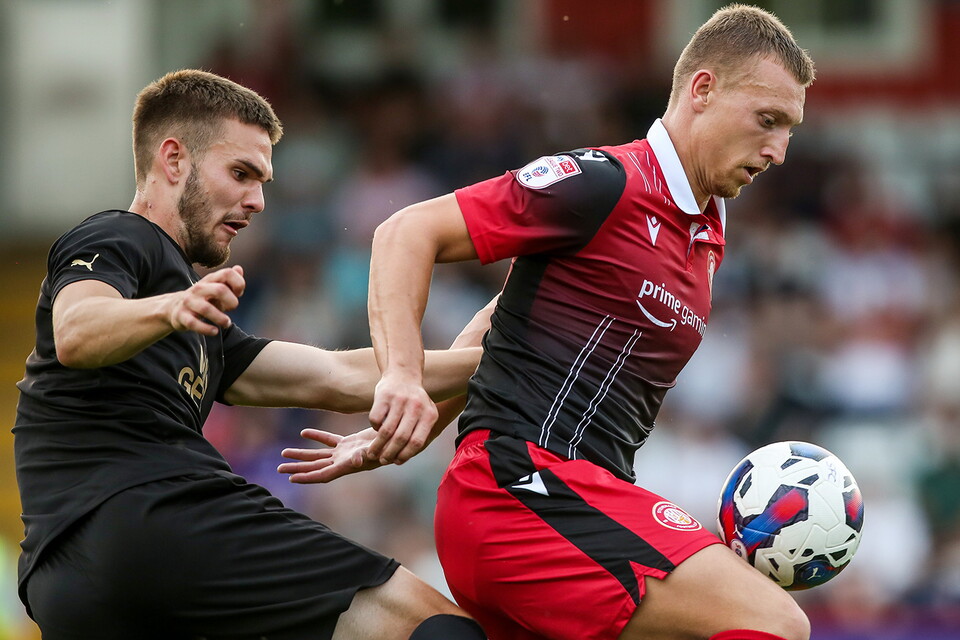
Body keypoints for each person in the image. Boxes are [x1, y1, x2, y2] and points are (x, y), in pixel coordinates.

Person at [281, 5, 817, 640]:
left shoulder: (705, 233)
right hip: (517, 492)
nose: (779, 151)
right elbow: (406, 231)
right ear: (703, 90)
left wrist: (414, 433)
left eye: (790, 130)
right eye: (767, 120)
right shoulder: (605, 183)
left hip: (569, 506)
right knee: (775, 622)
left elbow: (502, 328)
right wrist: (401, 377)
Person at [12, 69, 490, 640]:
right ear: (173, 159)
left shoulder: (201, 326)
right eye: (241, 174)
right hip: (158, 517)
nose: (258, 201)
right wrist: (171, 308)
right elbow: (75, 329)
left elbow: (339, 376)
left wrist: (502, 360)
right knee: (432, 625)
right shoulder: (120, 237)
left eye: (262, 182)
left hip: (67, 581)